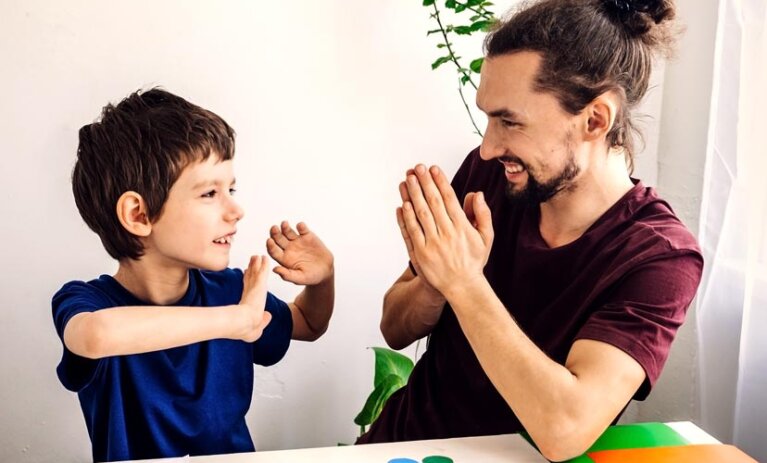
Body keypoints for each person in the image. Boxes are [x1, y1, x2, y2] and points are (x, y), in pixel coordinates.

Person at [358, 0, 703, 460]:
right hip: (398, 448)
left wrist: (464, 283)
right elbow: (394, 327)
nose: (487, 148)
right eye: (487, 118)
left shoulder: (659, 256)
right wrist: (434, 281)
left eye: (509, 121)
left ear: (595, 119)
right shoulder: (490, 180)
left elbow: (565, 430)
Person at [52, 88, 335, 462]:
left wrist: (323, 279)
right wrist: (235, 320)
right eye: (209, 194)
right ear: (139, 215)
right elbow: (95, 336)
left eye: (230, 188)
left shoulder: (233, 290)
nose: (236, 209)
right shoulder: (87, 303)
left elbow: (309, 323)